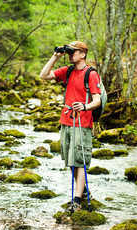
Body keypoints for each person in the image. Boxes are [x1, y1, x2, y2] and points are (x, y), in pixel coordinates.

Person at [39, 41, 101, 212]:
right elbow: (43, 75)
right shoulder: (67, 71)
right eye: (69, 52)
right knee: (71, 161)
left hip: (83, 121)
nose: (70, 55)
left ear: (83, 54)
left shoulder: (91, 73)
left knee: (79, 161)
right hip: (66, 120)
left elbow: (97, 100)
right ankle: (84, 191)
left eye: (73, 52)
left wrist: (85, 106)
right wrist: (55, 56)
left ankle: (77, 201)